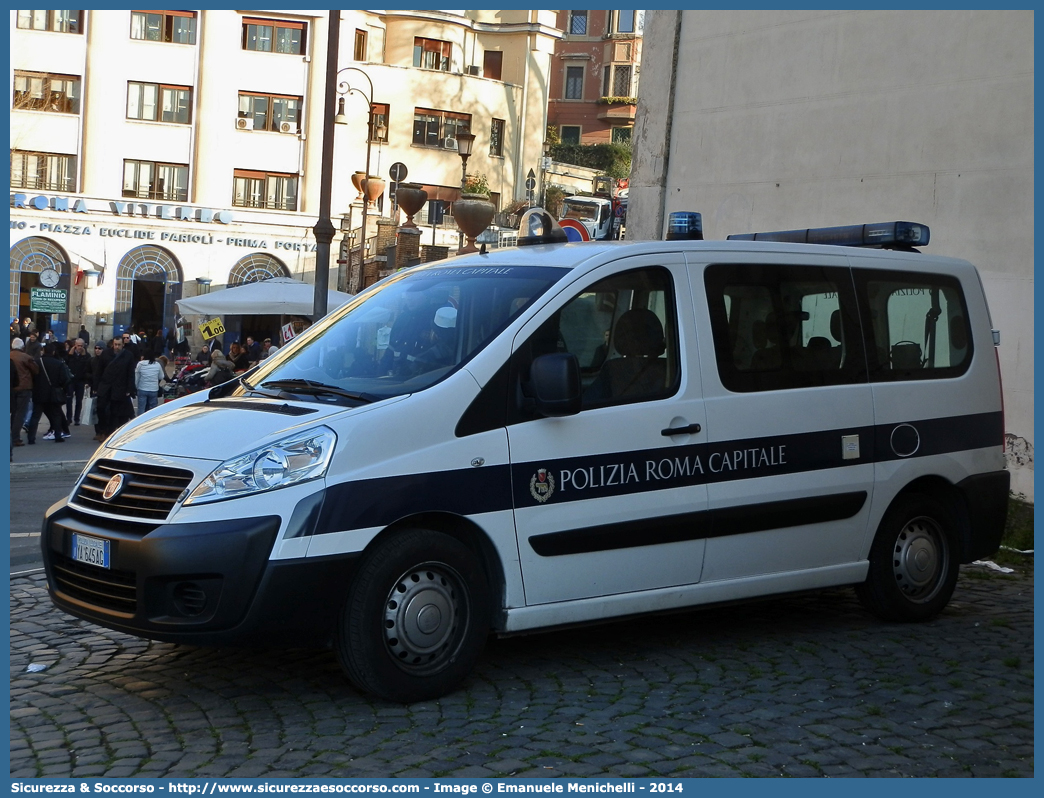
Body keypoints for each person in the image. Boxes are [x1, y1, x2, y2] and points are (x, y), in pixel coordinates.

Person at [27, 342, 70, 444]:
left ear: (43, 351)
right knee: (56, 415)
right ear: (53, 352)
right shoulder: (58, 364)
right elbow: (64, 379)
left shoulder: (37, 362)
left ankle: (31, 438)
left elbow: (32, 377)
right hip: (53, 393)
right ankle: (58, 435)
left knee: (36, 416)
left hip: (39, 393)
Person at [95, 337, 136, 440]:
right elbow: (99, 371)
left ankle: (110, 433)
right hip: (105, 386)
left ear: (123, 345)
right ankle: (103, 430)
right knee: (101, 409)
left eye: (119, 344)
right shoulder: (106, 354)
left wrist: (129, 389)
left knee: (115, 412)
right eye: (115, 344)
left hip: (120, 387)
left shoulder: (128, 356)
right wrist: (96, 386)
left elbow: (130, 373)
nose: (116, 347)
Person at [10, 338, 39, 447]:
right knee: (20, 413)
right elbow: (36, 370)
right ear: (22, 347)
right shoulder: (26, 357)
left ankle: (12, 435)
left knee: (13, 412)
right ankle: (15, 437)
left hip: (11, 388)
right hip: (24, 387)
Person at [65, 337, 91, 426]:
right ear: (75, 345)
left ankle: (77, 418)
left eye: (81, 346)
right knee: (69, 399)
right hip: (71, 380)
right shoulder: (70, 354)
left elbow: (87, 367)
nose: (79, 347)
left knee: (79, 400)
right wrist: (70, 355)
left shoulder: (86, 356)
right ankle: (68, 418)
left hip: (80, 380)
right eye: (78, 346)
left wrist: (83, 356)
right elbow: (65, 364)